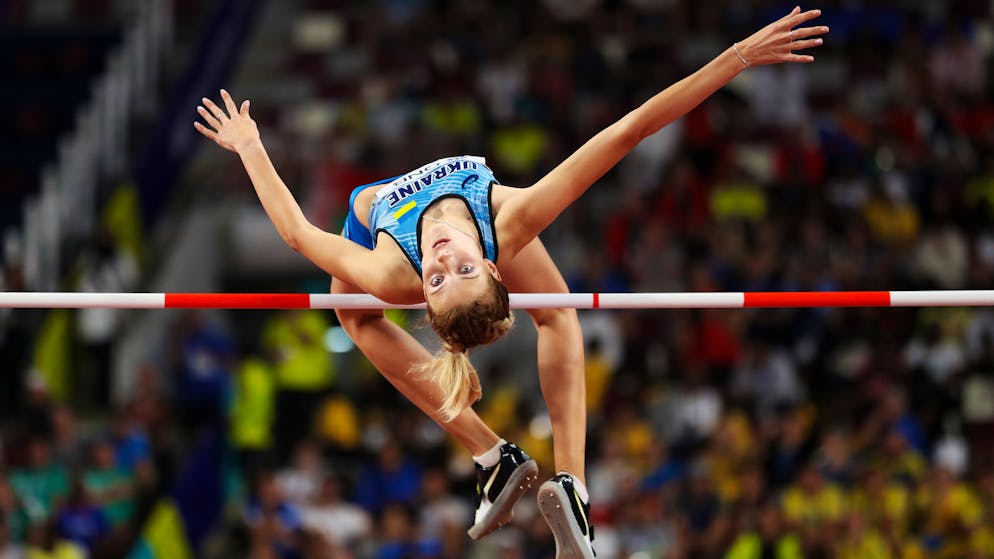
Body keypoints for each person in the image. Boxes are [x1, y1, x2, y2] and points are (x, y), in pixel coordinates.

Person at [195, 8, 827, 557]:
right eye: (462, 270)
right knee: (557, 311)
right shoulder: (509, 223)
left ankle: (501, 460)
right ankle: (563, 482)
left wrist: (250, 146)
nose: (443, 256)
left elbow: (299, 234)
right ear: (493, 267)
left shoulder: (393, 273)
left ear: (424, 290)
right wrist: (737, 58)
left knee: (354, 313)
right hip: (472, 220)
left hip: (372, 221)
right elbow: (630, 131)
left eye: (438, 278)